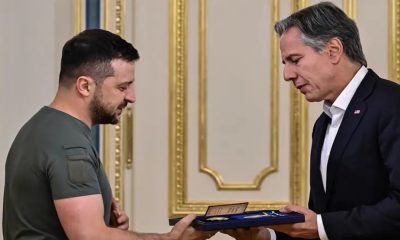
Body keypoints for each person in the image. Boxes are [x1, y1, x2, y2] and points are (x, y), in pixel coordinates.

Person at [2, 29, 216, 240]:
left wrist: (111, 230)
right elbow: (89, 237)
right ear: (85, 86)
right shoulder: (69, 145)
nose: (131, 97)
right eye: (122, 87)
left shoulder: (39, 128)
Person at [221, 1, 400, 240]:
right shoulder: (324, 123)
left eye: (295, 60)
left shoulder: (391, 103)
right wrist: (265, 236)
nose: (287, 75)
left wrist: (320, 225)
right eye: (285, 64)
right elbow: (322, 222)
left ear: (333, 50)